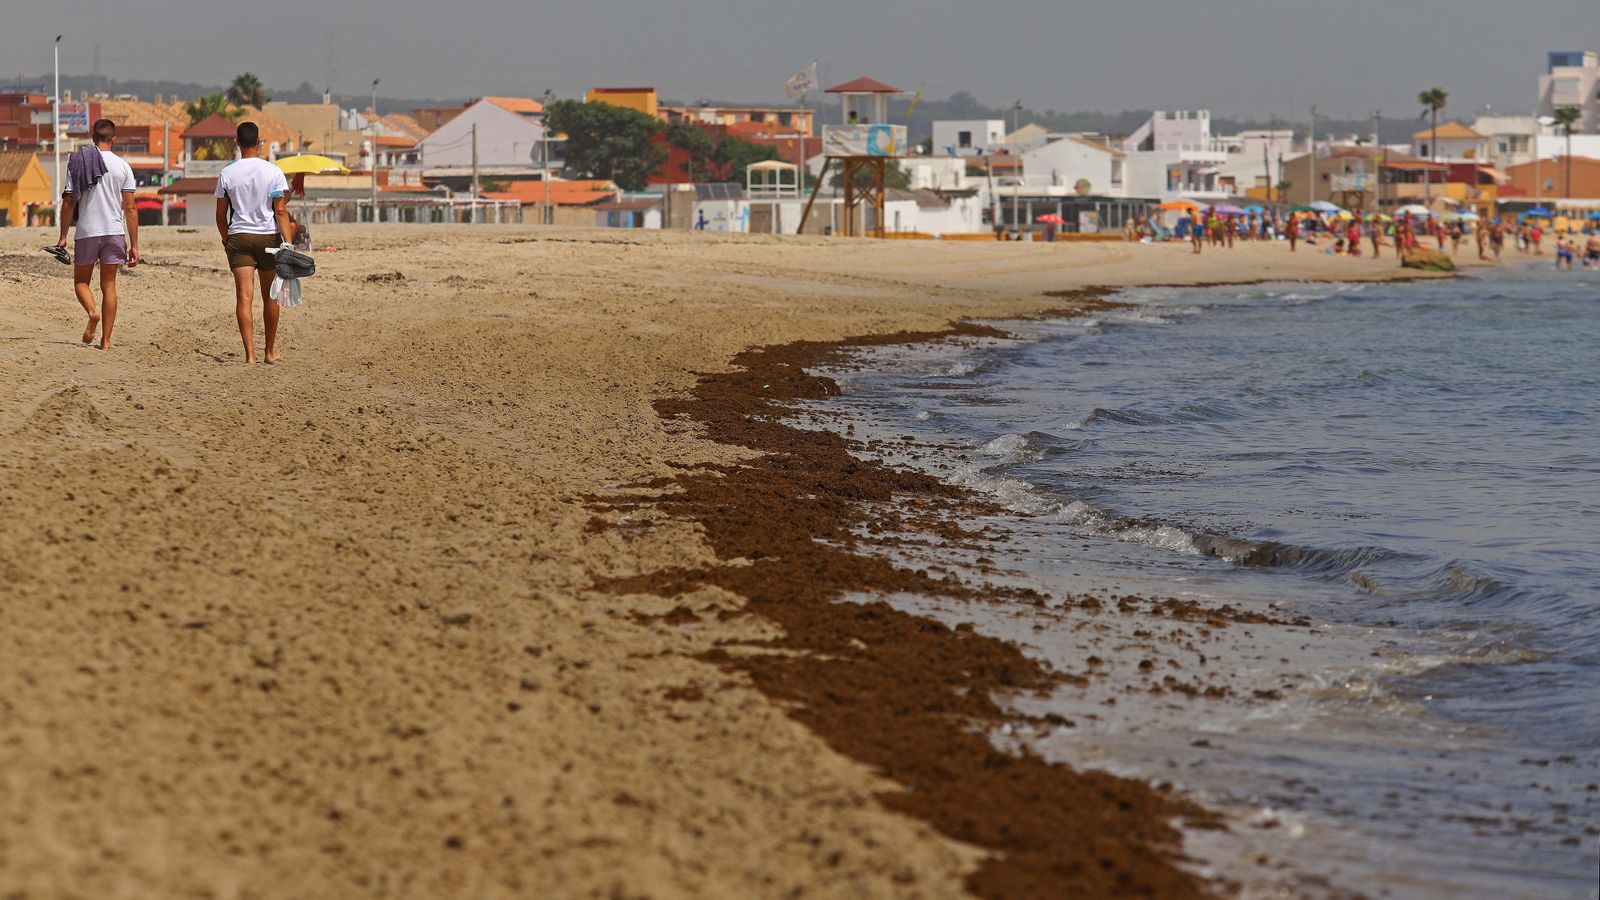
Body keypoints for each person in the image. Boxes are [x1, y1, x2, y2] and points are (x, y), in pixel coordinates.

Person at [54, 118, 139, 350]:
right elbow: (130, 208)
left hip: (87, 231)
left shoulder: (79, 161)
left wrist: (63, 235)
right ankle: (106, 340)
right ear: (114, 138)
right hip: (114, 231)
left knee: (81, 281)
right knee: (109, 286)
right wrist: (134, 245)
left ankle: (92, 312)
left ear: (93, 138)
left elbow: (68, 202)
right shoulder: (123, 166)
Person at [215, 121, 294, 364]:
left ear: (237, 143)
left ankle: (249, 355)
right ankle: (269, 351)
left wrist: (227, 241)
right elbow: (280, 212)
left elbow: (220, 216)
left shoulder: (227, 173)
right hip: (268, 237)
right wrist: (288, 245)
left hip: (239, 237)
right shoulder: (273, 172)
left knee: (244, 298)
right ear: (259, 142)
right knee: (270, 296)